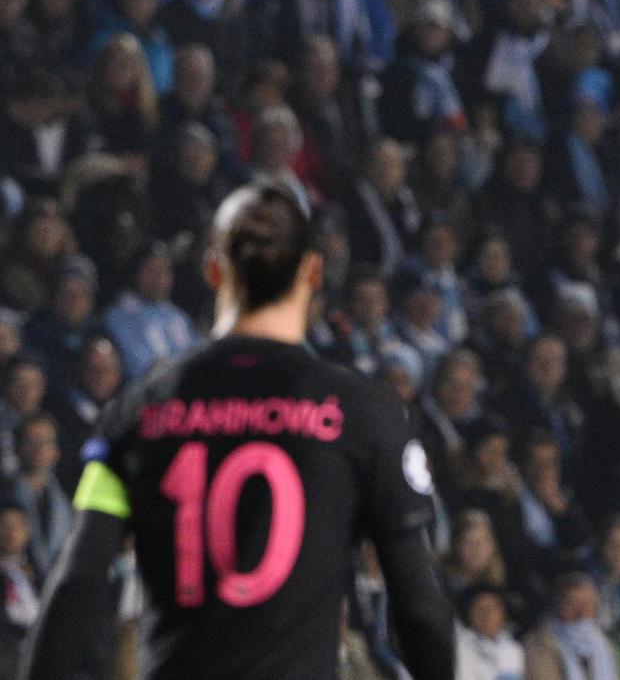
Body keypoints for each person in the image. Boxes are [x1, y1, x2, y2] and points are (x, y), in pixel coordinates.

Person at [20, 184, 454, 679]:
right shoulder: (365, 412)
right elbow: (419, 606)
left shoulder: (139, 410)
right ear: (313, 271)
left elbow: (77, 581)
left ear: (212, 269)